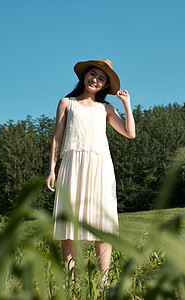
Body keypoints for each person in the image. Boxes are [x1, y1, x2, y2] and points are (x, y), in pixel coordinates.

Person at [46, 59, 135, 282]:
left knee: (101, 223)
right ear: (84, 76)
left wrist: (126, 103)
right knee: (69, 224)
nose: (95, 80)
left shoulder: (105, 108)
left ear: (105, 85)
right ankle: (71, 282)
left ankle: (103, 283)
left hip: (100, 168)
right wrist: (51, 170)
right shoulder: (67, 103)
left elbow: (130, 133)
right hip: (72, 165)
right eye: (92, 75)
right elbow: (57, 139)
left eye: (101, 78)